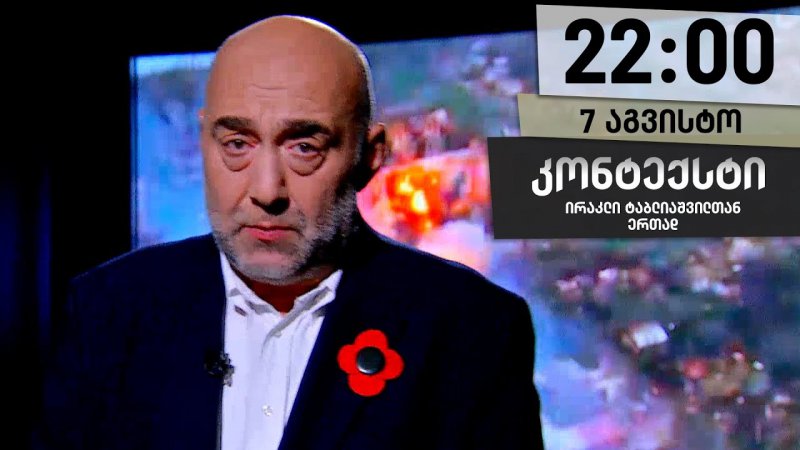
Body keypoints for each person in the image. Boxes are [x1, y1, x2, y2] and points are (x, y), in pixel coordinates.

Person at [34, 16, 544, 450]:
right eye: (237, 144)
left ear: (370, 157)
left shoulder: (472, 328)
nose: (266, 190)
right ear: (204, 142)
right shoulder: (109, 308)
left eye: (304, 147)